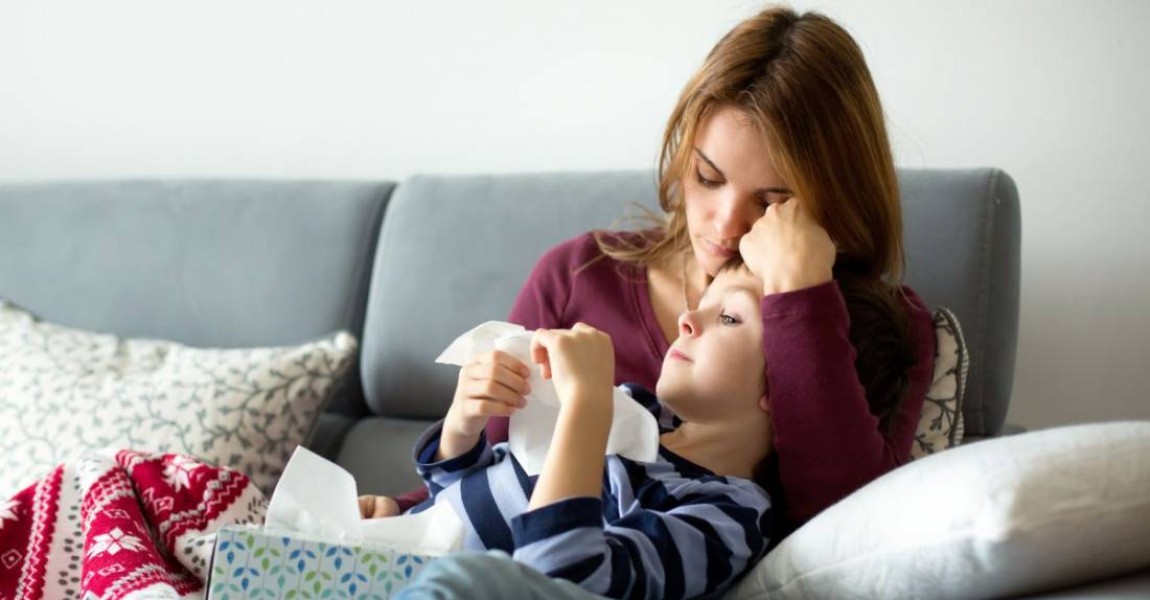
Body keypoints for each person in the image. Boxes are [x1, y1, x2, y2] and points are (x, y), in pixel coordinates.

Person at [364, 4, 935, 537]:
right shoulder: (578, 275)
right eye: (708, 178)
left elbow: (845, 530)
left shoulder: (877, 327)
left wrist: (802, 296)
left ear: (831, 198)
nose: (726, 223)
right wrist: (402, 513)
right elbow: (503, 477)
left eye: (772, 199)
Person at [402, 261, 776, 600]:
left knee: (463, 580)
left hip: (447, 582)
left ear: (784, 383)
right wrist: (462, 427)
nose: (687, 318)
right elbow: (464, 504)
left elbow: (553, 576)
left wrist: (586, 404)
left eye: (729, 317)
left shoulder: (732, 515)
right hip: (392, 557)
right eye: (701, 302)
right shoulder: (636, 410)